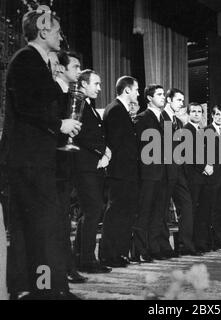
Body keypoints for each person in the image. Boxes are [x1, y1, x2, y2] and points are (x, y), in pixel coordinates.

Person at [0, 7, 81, 299]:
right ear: (43, 31)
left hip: (34, 159)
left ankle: (39, 288)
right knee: (41, 227)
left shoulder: (37, 62)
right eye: (57, 30)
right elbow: (29, 107)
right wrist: (61, 123)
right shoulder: (26, 59)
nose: (61, 35)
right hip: (28, 161)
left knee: (37, 227)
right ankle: (44, 290)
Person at [73, 69, 112, 273]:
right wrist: (102, 151)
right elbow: (80, 135)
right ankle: (87, 259)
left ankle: (82, 257)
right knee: (93, 209)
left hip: (92, 166)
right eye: (95, 84)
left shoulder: (89, 106)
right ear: (83, 85)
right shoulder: (79, 104)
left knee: (89, 211)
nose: (99, 88)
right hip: (84, 166)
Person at [99, 76, 140, 267]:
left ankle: (120, 254)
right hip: (119, 170)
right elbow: (116, 142)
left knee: (124, 212)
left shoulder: (121, 109)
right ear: (127, 90)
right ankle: (109, 254)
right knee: (116, 212)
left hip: (127, 171)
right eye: (136, 90)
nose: (138, 93)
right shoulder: (115, 109)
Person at [54, 50, 87, 283]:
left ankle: (67, 268)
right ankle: (59, 271)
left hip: (65, 164)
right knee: (57, 221)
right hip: (51, 164)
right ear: (62, 68)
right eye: (75, 67)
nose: (78, 71)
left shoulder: (70, 94)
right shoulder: (53, 91)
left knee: (64, 219)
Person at [133, 84, 170, 261]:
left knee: (158, 213)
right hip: (147, 173)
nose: (163, 97)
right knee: (144, 212)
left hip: (163, 173)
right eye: (159, 94)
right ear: (149, 98)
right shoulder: (141, 118)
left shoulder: (164, 118)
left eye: (164, 94)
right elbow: (139, 149)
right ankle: (141, 250)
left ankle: (155, 248)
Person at [162, 89, 199, 256]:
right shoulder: (161, 117)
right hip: (164, 172)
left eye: (182, 100)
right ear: (169, 100)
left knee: (187, 205)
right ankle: (163, 247)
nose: (181, 103)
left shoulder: (178, 121)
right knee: (162, 210)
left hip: (179, 172)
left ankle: (186, 245)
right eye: (178, 100)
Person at [183, 103, 210, 253]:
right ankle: (189, 245)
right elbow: (189, 154)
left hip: (203, 177)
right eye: (193, 111)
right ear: (188, 113)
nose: (197, 114)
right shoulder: (186, 129)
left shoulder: (201, 130)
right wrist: (204, 166)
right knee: (191, 212)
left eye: (199, 112)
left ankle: (200, 243)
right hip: (193, 176)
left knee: (202, 212)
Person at [204, 105, 221, 250]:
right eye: (217, 115)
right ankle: (210, 242)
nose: (220, 117)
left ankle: (220, 240)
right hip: (211, 176)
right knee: (210, 209)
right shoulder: (206, 130)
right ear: (212, 116)